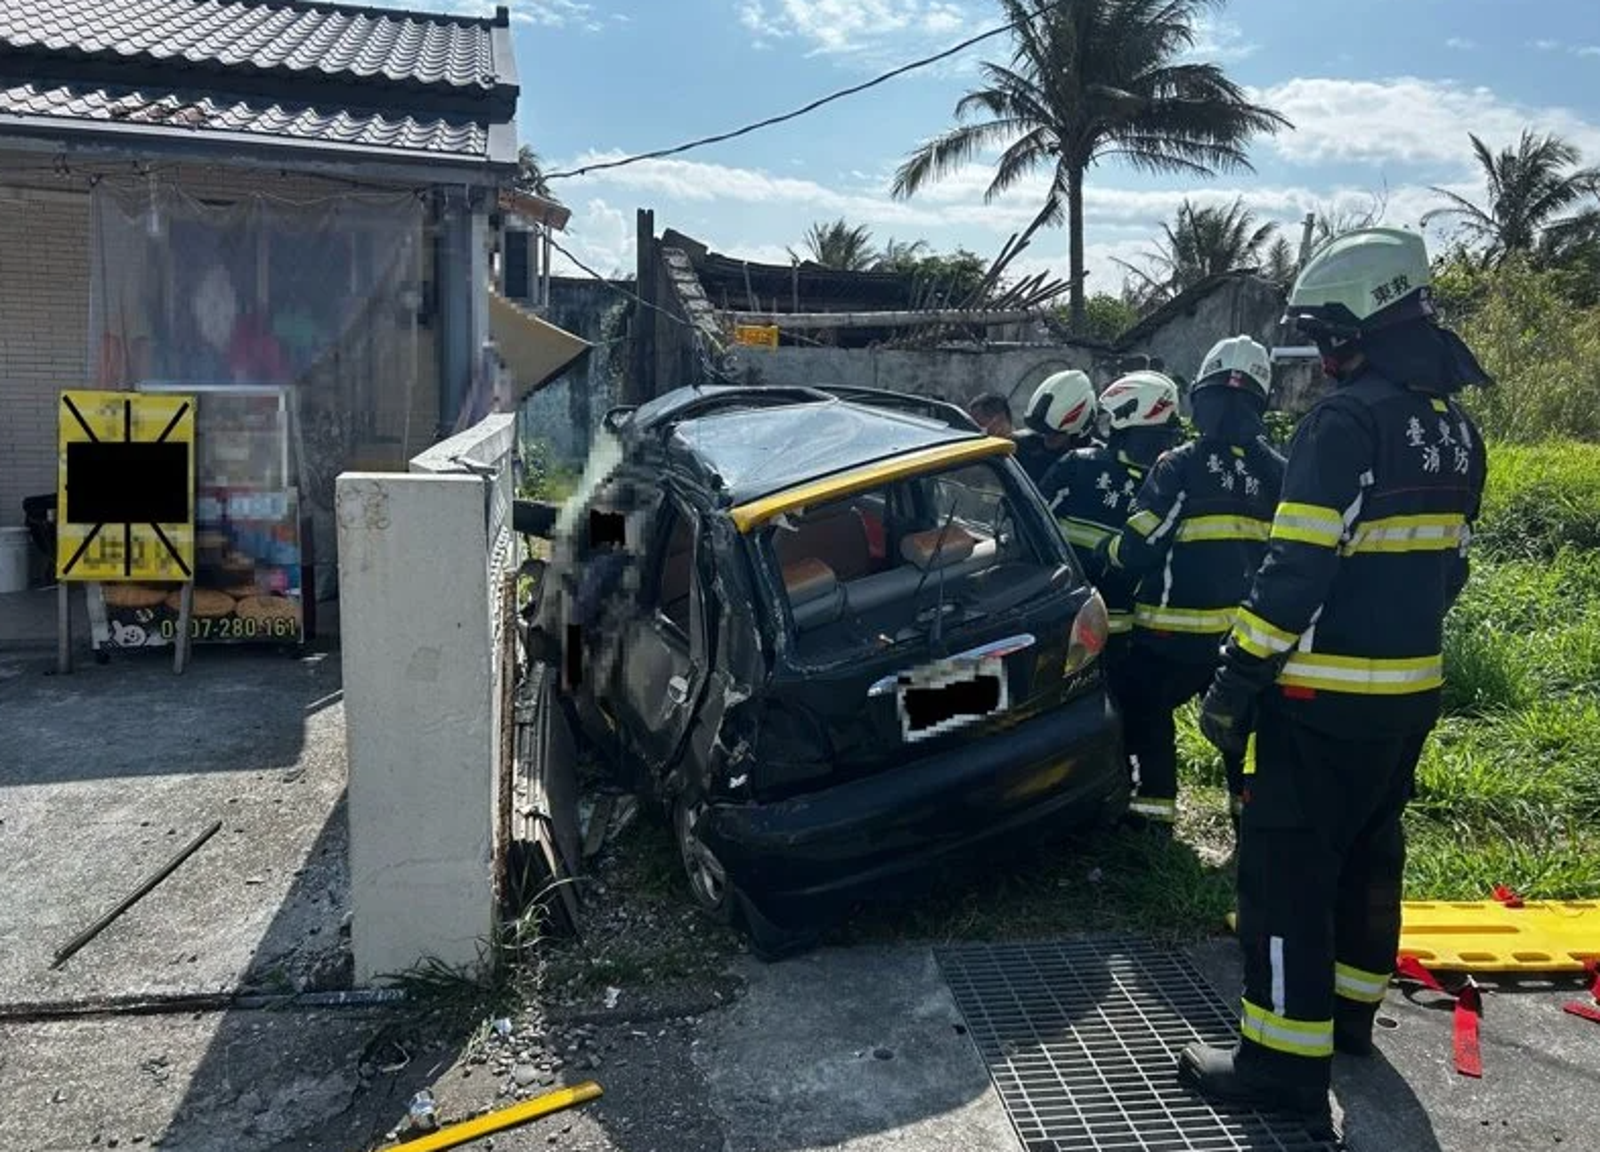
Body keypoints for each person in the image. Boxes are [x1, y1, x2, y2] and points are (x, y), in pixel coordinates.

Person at [1177, 228, 1490, 1134]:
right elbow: (1452, 569)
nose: (1320, 357)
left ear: (1356, 325)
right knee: (1368, 853)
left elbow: (1295, 570)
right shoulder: (1453, 430)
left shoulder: (1345, 422)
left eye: (1325, 335)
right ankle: (1350, 1017)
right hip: (1410, 698)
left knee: (1285, 875)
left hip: (1319, 702)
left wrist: (1238, 677)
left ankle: (1279, 1063)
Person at [1094, 336, 1285, 831]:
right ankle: (1250, 814)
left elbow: (1137, 547)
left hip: (1168, 638)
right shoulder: (1279, 472)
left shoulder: (1179, 464)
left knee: (1145, 711)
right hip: (1246, 637)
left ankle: (1153, 814)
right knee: (1243, 724)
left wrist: (1101, 553)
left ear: (1201, 396)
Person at [1039, 369, 1183, 671]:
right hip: (1125, 637)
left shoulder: (1077, 465)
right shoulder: (1168, 488)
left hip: (1057, 621)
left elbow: (1025, 525)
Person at [1012, 369, 1100, 485]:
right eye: (1044, 430)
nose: (1048, 437)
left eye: (1057, 433)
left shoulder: (1095, 460)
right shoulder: (1023, 447)